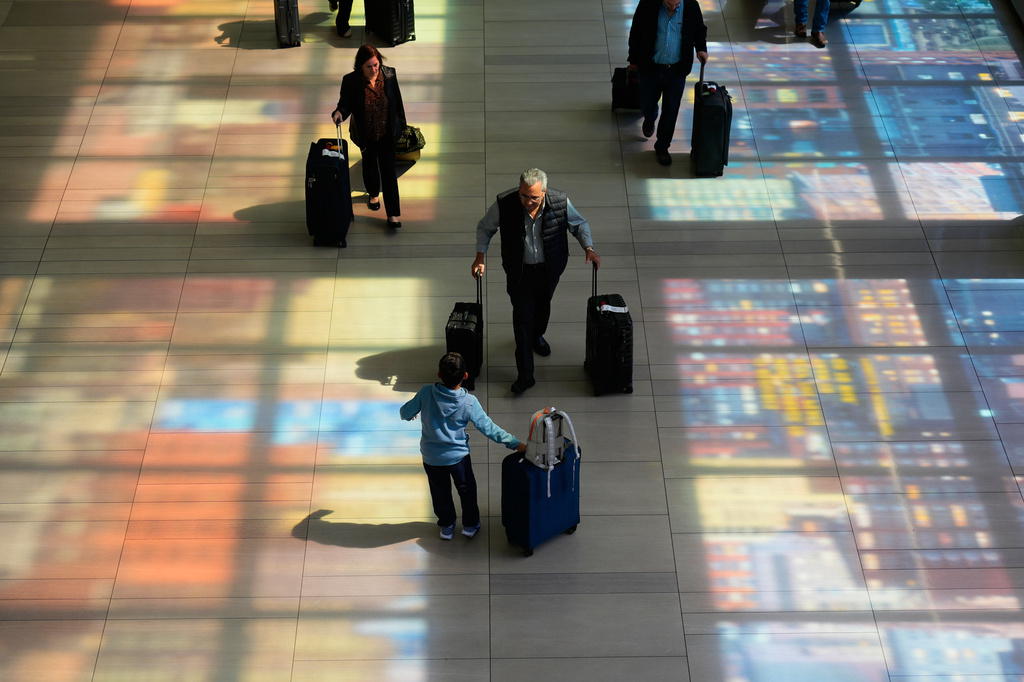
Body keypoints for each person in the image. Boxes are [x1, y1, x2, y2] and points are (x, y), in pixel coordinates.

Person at [471, 169, 601, 394]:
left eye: (534, 197)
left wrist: (588, 249)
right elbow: (485, 227)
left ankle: (537, 334)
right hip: (519, 272)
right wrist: (480, 257)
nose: (528, 202)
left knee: (542, 308)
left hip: (549, 269)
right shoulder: (505, 203)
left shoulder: (560, 201)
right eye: (523, 195)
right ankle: (525, 375)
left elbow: (579, 224)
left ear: (544, 192)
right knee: (522, 321)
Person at [400, 352, 527, 540]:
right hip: (458, 458)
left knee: (439, 491)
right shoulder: (469, 402)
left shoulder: (426, 392)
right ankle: (470, 524)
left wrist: (412, 413)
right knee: (467, 490)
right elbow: (489, 428)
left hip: (431, 457)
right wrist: (515, 443)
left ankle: (447, 525)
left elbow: (405, 412)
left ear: (438, 375)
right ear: (465, 376)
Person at [331, 44, 405, 229]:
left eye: (376, 65)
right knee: (370, 166)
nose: (374, 70)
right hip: (367, 134)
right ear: (360, 66)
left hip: (387, 134)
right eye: (369, 66)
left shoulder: (389, 75)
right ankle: (373, 194)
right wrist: (339, 112)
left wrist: (401, 126)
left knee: (389, 173)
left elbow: (398, 103)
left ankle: (393, 214)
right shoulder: (351, 81)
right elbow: (345, 103)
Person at [628, 0, 709, 166]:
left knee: (671, 111)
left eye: (675, 5)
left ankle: (663, 147)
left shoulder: (691, 6)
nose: (672, 8)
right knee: (646, 104)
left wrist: (701, 48)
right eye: (669, 4)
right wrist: (634, 59)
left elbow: (699, 29)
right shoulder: (647, 4)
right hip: (650, 68)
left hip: (676, 70)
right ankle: (649, 118)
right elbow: (636, 32)